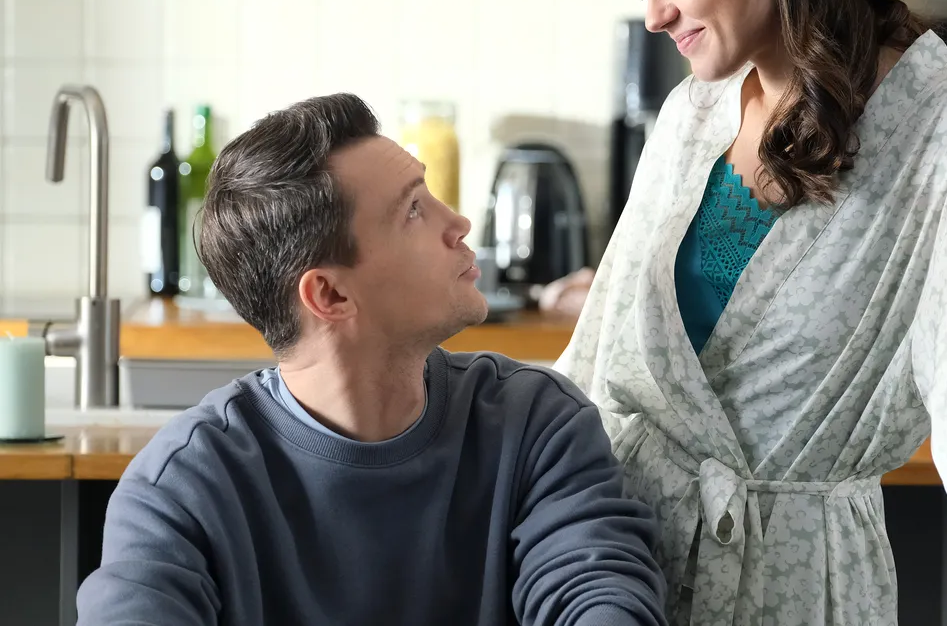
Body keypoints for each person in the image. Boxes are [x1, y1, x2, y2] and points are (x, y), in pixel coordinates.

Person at [554, 0, 947, 625]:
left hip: (800, 591)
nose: (654, 13)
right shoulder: (691, 117)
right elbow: (593, 366)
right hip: (623, 574)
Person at [76, 94, 669, 626]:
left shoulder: (537, 424)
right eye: (412, 210)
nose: (458, 223)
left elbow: (599, 591)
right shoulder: (181, 489)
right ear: (330, 295)